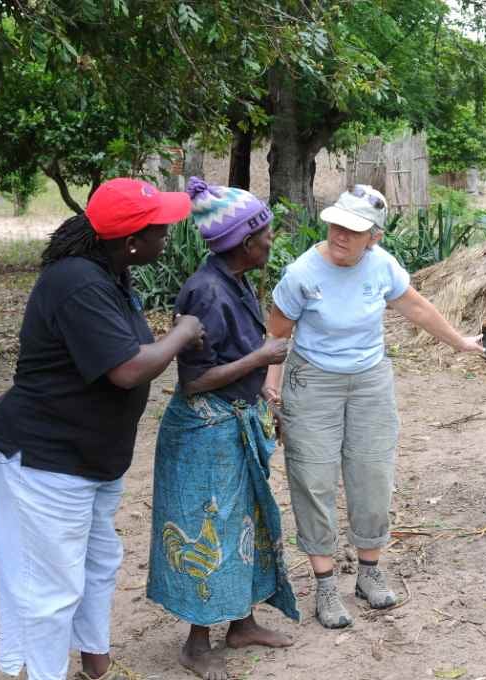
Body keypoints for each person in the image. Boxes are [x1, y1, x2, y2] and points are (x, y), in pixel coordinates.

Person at [0, 179, 203, 680]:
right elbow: (125, 369)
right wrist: (182, 333)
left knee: (99, 562)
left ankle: (96, 663)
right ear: (129, 240)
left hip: (90, 458)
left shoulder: (110, 272)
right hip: (47, 458)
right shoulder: (78, 284)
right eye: (159, 229)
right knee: (51, 585)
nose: (167, 234)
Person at [263, 184, 483, 629]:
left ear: (375, 237)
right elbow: (277, 333)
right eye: (337, 224)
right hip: (313, 383)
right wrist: (272, 387)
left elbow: (415, 307)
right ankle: (325, 584)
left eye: (354, 230)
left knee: (372, 473)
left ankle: (369, 571)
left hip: (369, 381)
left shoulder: (381, 266)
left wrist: (459, 342)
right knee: (314, 477)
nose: (341, 235)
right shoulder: (302, 273)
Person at [147, 178, 298, 680]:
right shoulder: (207, 291)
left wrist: (262, 390)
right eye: (266, 234)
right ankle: (196, 643)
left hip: (230, 421)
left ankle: (241, 623)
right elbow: (193, 382)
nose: (271, 240)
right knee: (205, 527)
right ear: (243, 243)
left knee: (243, 522)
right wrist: (261, 357)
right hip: (203, 432)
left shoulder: (231, 280)